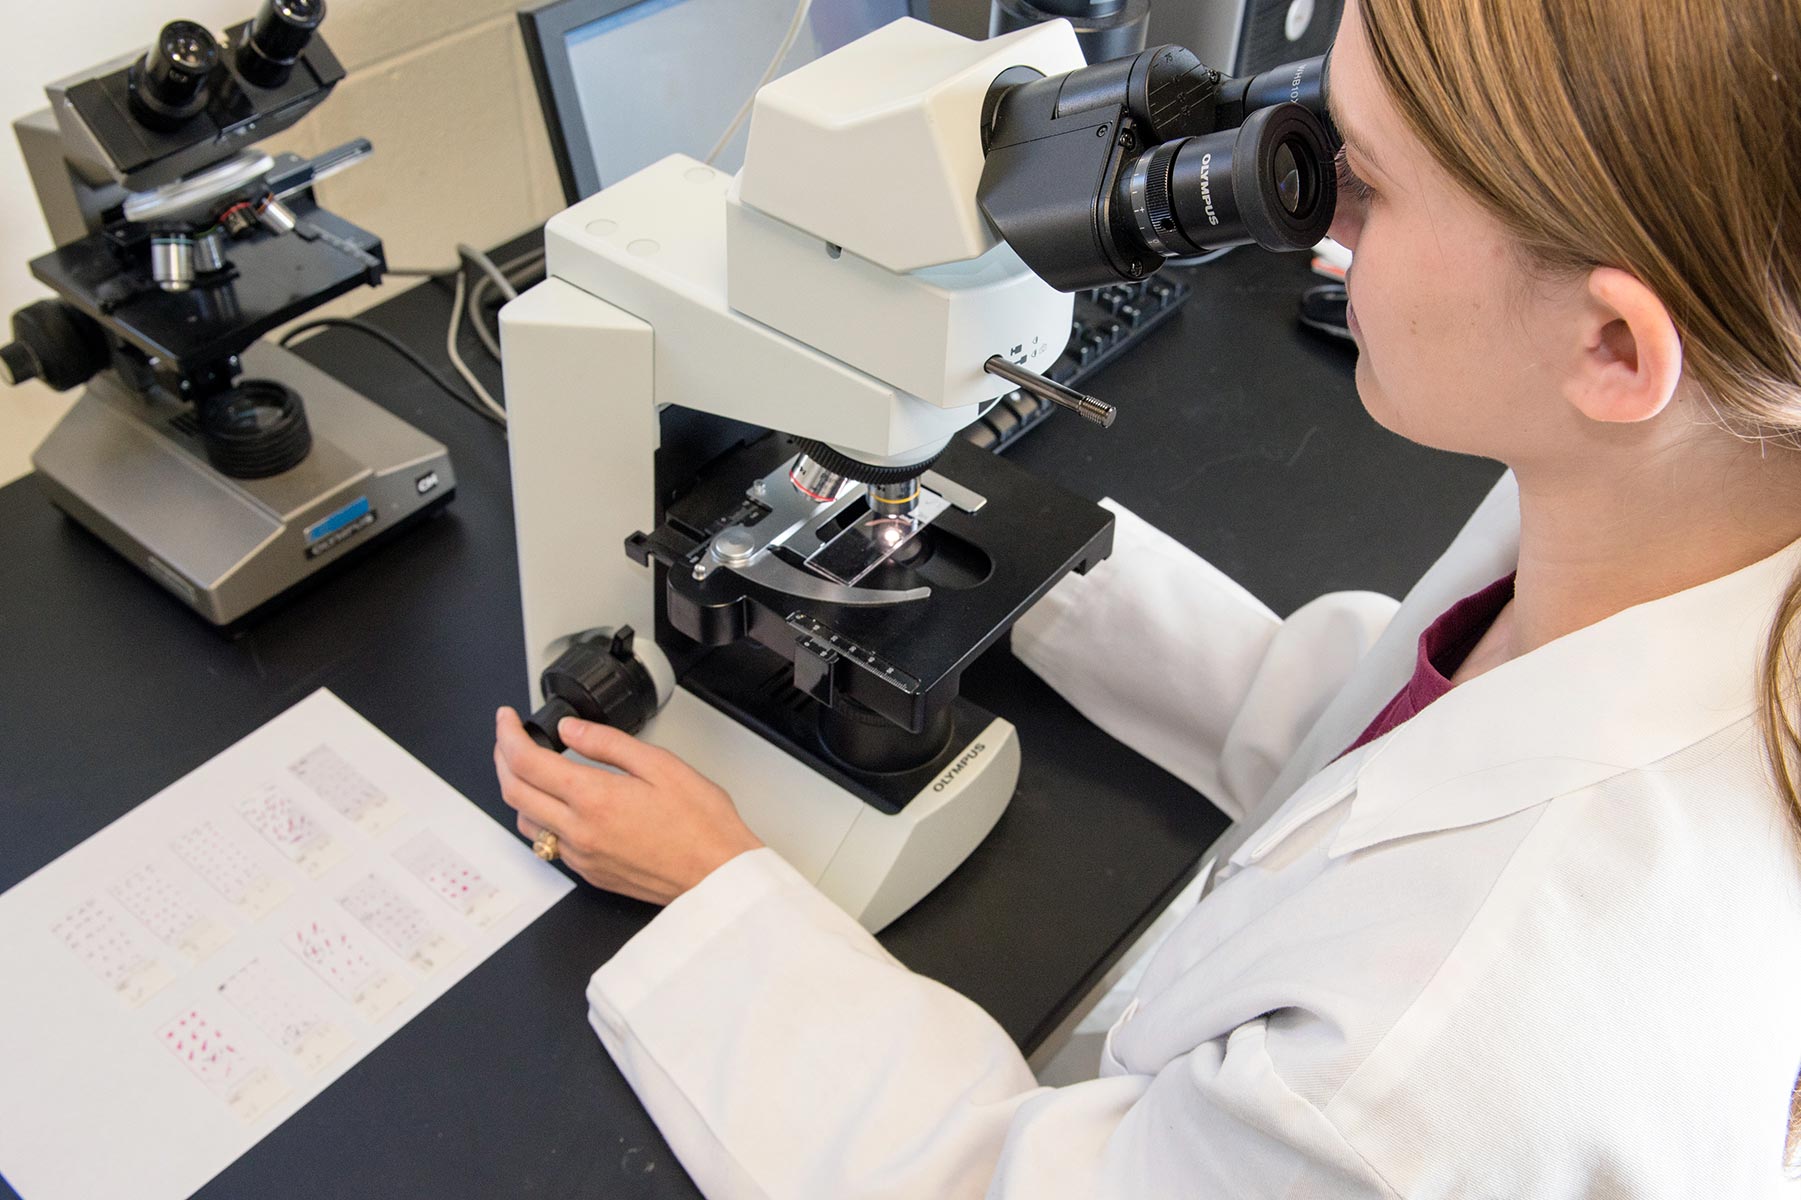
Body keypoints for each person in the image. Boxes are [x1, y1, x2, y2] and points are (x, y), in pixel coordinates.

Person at [492, 0, 1801, 1192]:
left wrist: (721, 895)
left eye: (1374, 186)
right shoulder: (1694, 492)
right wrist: (1023, 562)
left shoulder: (1422, 1068)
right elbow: (1391, 725)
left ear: (1614, 345)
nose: (1318, 216)